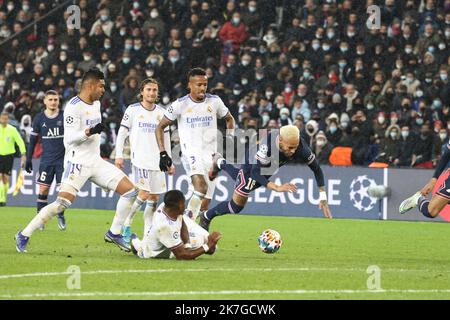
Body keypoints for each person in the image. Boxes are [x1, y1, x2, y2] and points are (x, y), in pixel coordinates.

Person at [15, 68, 138, 253]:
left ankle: (114, 232)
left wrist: (94, 131)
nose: (103, 90)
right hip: (77, 163)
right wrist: (89, 131)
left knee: (130, 191)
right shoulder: (73, 107)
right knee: (61, 204)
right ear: (90, 85)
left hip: (96, 162)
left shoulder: (96, 104)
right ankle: (23, 234)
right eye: (101, 86)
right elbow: (69, 140)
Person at [199, 125, 332, 231]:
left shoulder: (301, 148)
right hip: (252, 164)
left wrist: (323, 196)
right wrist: (276, 187)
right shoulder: (267, 145)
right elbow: (255, 173)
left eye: (295, 147)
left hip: (271, 166)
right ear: (280, 140)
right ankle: (206, 216)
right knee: (236, 206)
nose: (293, 151)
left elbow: (317, 169)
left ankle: (219, 162)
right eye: (290, 147)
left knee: (243, 182)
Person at [156, 68, 235, 222]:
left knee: (205, 204)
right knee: (201, 187)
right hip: (190, 153)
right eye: (198, 84)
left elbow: (229, 119)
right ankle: (184, 226)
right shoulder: (180, 104)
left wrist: (230, 139)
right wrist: (163, 153)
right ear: (189, 85)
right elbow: (160, 127)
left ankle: (191, 233)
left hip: (211, 157)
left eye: (205, 84)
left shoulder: (215, 101)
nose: (202, 88)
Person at [115, 78, 174, 241]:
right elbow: (122, 133)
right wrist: (119, 154)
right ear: (142, 92)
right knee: (144, 193)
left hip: (158, 161)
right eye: (148, 89)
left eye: (154, 90)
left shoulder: (162, 113)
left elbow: (167, 138)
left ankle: (148, 231)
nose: (151, 93)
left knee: (154, 198)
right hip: (140, 159)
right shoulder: (133, 110)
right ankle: (127, 223)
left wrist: (169, 160)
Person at [130, 190, 222, 260]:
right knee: (143, 248)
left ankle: (138, 243)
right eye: (183, 203)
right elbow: (181, 255)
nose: (185, 206)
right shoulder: (164, 226)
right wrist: (207, 245)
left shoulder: (167, 206)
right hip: (153, 251)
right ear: (178, 206)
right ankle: (136, 243)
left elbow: (182, 223)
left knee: (206, 241)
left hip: (165, 241)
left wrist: (187, 245)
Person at [25, 90, 67, 231]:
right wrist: (29, 158)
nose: (53, 102)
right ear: (45, 101)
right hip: (46, 161)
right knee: (43, 190)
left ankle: (60, 214)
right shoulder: (39, 118)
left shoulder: (65, 116)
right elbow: (32, 140)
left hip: (62, 161)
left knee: (62, 191)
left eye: (56, 99)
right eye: (51, 99)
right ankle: (40, 219)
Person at [0, 112, 26, 206]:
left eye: (5, 119)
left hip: (8, 156)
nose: (4, 120)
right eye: (2, 118)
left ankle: (4, 198)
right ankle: (1, 198)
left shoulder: (12, 130)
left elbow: (20, 141)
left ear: (8, 119)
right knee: (0, 177)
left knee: (5, 178)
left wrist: (23, 153)